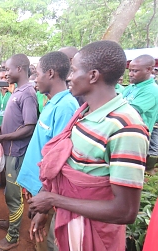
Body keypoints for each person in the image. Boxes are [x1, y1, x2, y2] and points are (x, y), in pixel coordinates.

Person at [28, 40, 149, 251]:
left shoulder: (126, 127)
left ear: (93, 76)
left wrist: (54, 200)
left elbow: (125, 211)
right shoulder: (85, 111)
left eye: (74, 71)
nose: (69, 77)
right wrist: (47, 209)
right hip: (71, 218)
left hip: (94, 235)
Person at [16, 51, 79, 251]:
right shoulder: (53, 102)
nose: (35, 78)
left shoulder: (66, 107)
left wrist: (45, 206)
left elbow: (59, 159)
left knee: (47, 242)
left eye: (38, 73)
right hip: (39, 188)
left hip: (47, 192)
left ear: (51, 73)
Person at [0, 54, 38, 251]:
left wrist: (2, 138)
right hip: (10, 149)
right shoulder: (18, 91)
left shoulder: (27, 93)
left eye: (8, 69)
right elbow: (18, 122)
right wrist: (2, 131)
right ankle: (12, 222)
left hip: (17, 152)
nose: (6, 73)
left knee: (13, 195)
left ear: (20, 68)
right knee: (9, 191)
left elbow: (29, 127)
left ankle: (13, 236)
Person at [122, 55, 158, 173]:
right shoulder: (132, 87)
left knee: (127, 171)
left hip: (135, 136)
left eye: (135, 71)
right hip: (123, 133)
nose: (131, 74)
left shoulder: (151, 90)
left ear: (148, 69)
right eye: (130, 70)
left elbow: (130, 111)